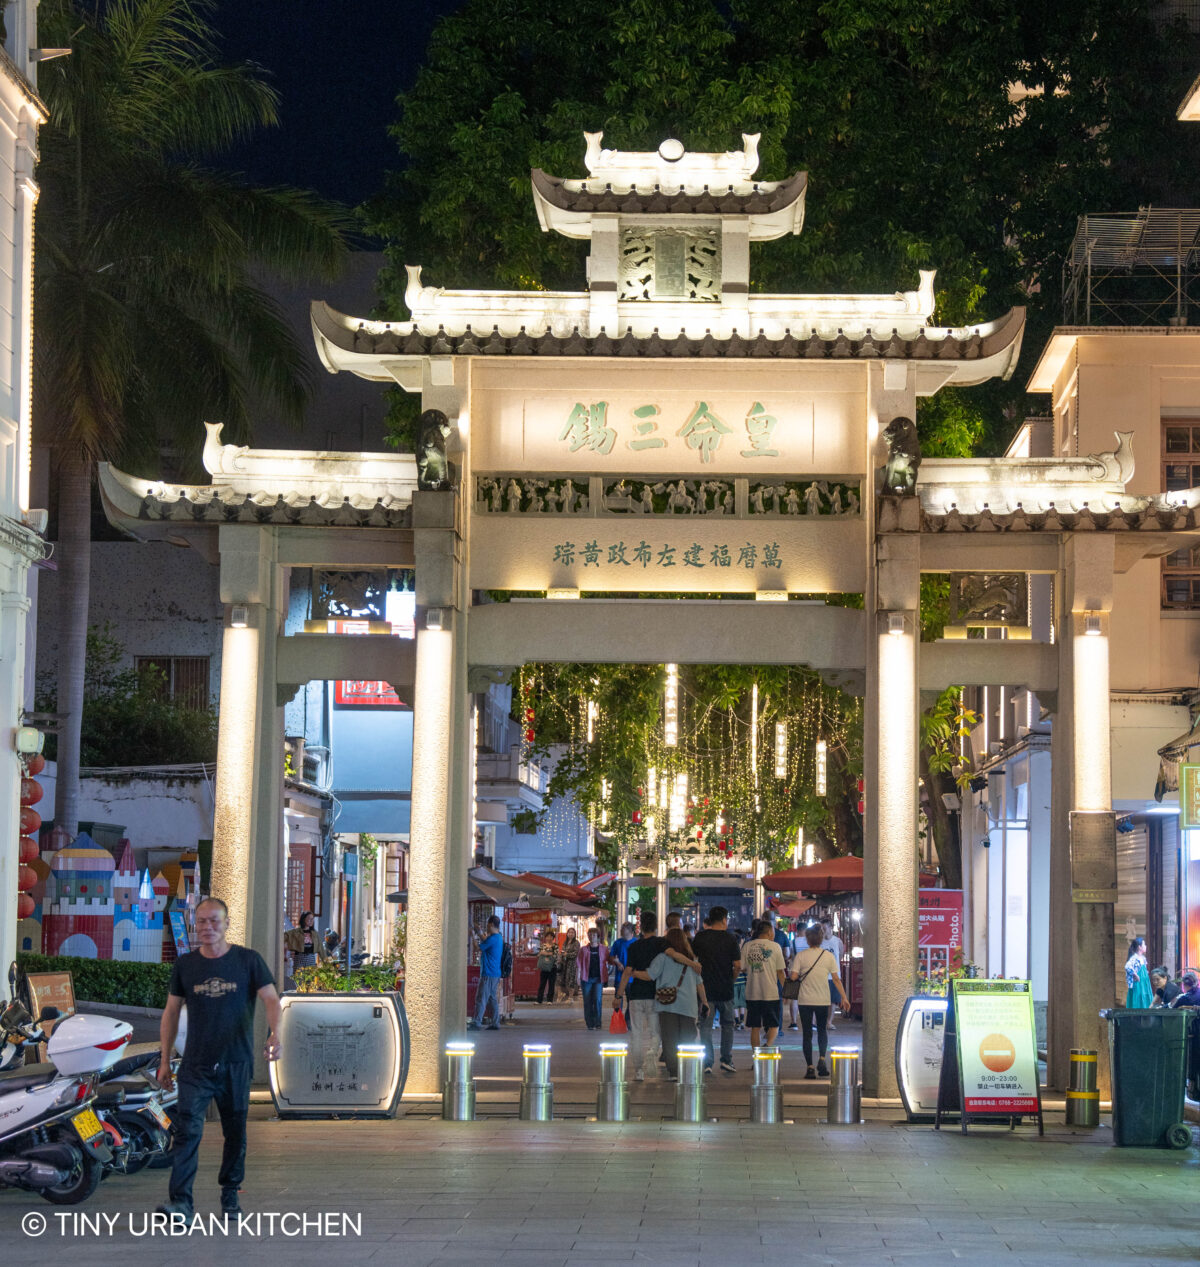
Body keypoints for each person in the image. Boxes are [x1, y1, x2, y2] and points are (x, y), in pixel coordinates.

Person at [156, 896, 281, 1219]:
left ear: (226, 924)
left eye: (214, 921)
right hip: (195, 1065)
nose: (208, 927)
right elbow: (171, 1012)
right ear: (195, 926)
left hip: (236, 1063)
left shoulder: (248, 960)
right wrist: (164, 1059)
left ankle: (230, 1194)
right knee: (187, 1132)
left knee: (235, 1132)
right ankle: (181, 1203)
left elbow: (270, 999)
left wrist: (275, 1034)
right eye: (202, 922)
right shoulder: (186, 965)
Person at [636, 927, 708, 1080]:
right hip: (688, 1005)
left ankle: (674, 1072)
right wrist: (705, 1002)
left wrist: (632, 972)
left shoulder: (662, 958)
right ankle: (687, 1069)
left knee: (670, 1038)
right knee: (688, 1038)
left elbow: (650, 975)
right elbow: (699, 984)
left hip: (667, 1004)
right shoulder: (693, 961)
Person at [788, 922, 850, 1079]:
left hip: (805, 1000)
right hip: (823, 999)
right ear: (821, 939)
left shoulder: (801, 956)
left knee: (807, 1034)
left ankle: (810, 1067)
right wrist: (844, 997)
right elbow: (836, 979)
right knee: (822, 1030)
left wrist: (792, 974)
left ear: (807, 940)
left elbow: (794, 977)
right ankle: (822, 1059)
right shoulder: (828, 956)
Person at [692, 906, 741, 1073]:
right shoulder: (731, 938)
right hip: (726, 989)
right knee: (727, 1025)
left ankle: (707, 1063)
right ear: (724, 920)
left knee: (705, 1026)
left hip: (705, 990)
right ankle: (726, 1060)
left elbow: (694, 961)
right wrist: (731, 979)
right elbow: (737, 965)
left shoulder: (700, 938)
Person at [742, 918, 786, 1050]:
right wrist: (787, 992)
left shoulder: (747, 946)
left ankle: (756, 1056)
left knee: (755, 1027)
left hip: (752, 992)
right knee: (774, 1025)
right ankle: (767, 1047)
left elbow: (742, 967)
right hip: (770, 993)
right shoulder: (775, 946)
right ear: (769, 932)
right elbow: (781, 973)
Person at [468, 915, 504, 1030]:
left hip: (488, 973)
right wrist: (478, 931)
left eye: (488, 925)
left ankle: (476, 1022)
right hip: (495, 973)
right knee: (491, 998)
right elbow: (485, 940)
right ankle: (495, 1022)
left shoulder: (493, 938)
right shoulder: (497, 937)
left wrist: (472, 936)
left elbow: (477, 948)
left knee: (481, 998)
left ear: (492, 925)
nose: (486, 928)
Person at [578, 926, 609, 1030]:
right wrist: (578, 977)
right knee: (587, 1001)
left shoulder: (604, 949)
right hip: (586, 979)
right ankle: (590, 1023)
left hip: (598, 979)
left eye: (594, 935)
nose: (592, 936)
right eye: (590, 934)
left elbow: (610, 960)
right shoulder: (583, 949)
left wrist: (617, 962)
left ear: (598, 936)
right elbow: (578, 964)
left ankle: (598, 1022)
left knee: (597, 1000)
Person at [282, 910, 325, 979]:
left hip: (310, 958)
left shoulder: (314, 934)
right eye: (309, 918)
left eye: (312, 919)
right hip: (299, 957)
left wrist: (325, 961)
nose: (311, 921)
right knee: (298, 979)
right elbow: (284, 937)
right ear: (304, 919)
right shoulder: (295, 932)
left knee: (310, 979)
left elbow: (321, 948)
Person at [820, 919, 845, 1030]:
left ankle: (829, 1022)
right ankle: (821, 1020)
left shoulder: (837, 941)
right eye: (821, 929)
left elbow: (840, 955)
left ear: (830, 928)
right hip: (821, 975)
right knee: (821, 999)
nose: (823, 931)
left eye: (824, 928)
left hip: (834, 975)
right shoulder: (819, 941)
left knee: (833, 1000)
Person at [1124, 936, 1153, 1009]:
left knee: (1145, 995)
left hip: (1144, 981)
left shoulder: (1142, 958)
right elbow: (1127, 966)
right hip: (1138, 983)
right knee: (1138, 996)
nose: (1145, 946)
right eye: (1144, 944)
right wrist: (1135, 974)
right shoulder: (1134, 958)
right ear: (1139, 947)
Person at [609, 922, 635, 995]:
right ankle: (619, 1007)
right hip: (619, 977)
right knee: (617, 1001)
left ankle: (628, 1007)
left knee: (631, 1002)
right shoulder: (617, 942)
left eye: (623, 928)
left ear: (630, 930)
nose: (621, 930)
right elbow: (611, 957)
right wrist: (617, 962)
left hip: (632, 978)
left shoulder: (636, 942)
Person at [536, 932, 558, 1004]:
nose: (549, 938)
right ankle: (539, 1000)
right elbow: (539, 955)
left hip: (552, 967)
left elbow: (555, 955)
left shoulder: (555, 946)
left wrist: (545, 953)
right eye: (547, 936)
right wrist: (543, 953)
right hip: (544, 967)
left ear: (553, 938)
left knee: (551, 984)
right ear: (545, 938)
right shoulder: (543, 945)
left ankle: (550, 1000)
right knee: (542, 983)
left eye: (550, 936)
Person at [732, 930, 748, 1030]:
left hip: (733, 980)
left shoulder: (730, 952)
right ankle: (741, 1021)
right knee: (742, 1001)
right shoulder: (742, 952)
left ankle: (737, 1022)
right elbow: (745, 967)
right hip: (742, 981)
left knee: (735, 1002)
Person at [559, 928, 580, 1001]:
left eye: (572, 933)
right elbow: (563, 951)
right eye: (569, 932)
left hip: (572, 964)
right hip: (565, 963)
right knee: (564, 979)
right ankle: (565, 994)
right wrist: (562, 955)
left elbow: (575, 953)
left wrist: (566, 954)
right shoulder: (565, 942)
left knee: (571, 980)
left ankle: (571, 997)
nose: (571, 934)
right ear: (567, 934)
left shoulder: (576, 943)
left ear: (575, 934)